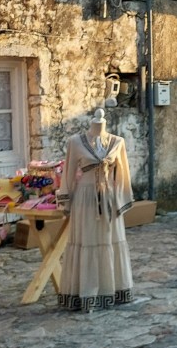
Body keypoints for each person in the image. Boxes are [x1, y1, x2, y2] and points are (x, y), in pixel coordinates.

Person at [56, 108, 134, 312]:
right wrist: (66, 200)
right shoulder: (75, 142)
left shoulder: (118, 142)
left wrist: (121, 200)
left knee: (110, 241)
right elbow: (68, 174)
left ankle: (112, 290)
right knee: (87, 241)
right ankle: (86, 293)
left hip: (109, 199)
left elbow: (123, 175)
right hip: (84, 198)